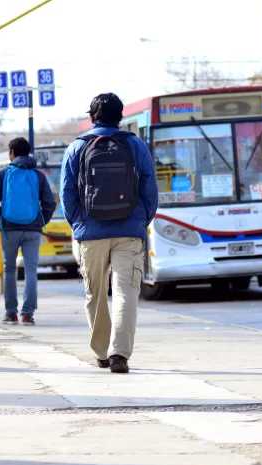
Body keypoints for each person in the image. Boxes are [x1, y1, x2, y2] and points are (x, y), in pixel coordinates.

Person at [60, 93, 158, 373]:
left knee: (95, 293)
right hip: (129, 230)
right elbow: (150, 187)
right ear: (121, 117)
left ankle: (101, 353)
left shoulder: (76, 147)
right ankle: (120, 354)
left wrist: (78, 223)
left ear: (92, 117)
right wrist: (140, 220)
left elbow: (67, 194)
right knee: (126, 292)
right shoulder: (134, 145)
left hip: (90, 232)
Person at [0, 137, 56, 326]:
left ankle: (11, 313)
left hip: (9, 228)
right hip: (32, 228)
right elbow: (50, 203)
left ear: (12, 153)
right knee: (31, 270)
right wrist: (40, 221)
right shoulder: (38, 175)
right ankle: (28, 314)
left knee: (9, 270)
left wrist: (0, 218)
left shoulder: (3, 174)